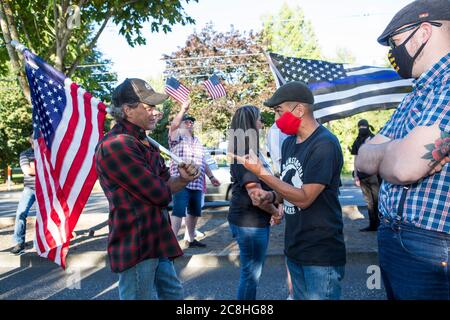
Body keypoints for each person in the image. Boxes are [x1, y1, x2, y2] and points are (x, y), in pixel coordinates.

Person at [356, 0, 450, 300]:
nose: (393, 53)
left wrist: (390, 152)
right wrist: (396, 152)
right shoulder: (417, 94)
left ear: (423, 33)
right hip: (397, 238)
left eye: (396, 42)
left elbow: (406, 167)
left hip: (432, 246)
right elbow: (362, 158)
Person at [235, 81, 346, 300]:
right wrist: (271, 196)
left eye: (278, 112)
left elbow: (305, 198)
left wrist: (262, 174)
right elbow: (290, 187)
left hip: (320, 252)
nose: (276, 120)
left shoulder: (324, 144)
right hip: (295, 246)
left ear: (299, 110)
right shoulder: (288, 144)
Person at [95, 78, 201, 300]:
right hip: (137, 241)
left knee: (173, 294)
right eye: (150, 106)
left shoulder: (143, 141)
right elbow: (159, 193)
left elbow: (166, 185)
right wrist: (171, 184)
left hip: (156, 235)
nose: (156, 112)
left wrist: (182, 179)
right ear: (128, 110)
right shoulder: (117, 144)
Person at [228, 105, 282, 300]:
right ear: (250, 123)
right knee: (250, 275)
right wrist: (275, 211)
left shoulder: (245, 149)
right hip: (250, 222)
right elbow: (256, 195)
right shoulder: (244, 152)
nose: (261, 123)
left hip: (248, 220)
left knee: (250, 274)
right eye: (259, 119)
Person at [168, 100, 220, 248]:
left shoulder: (197, 140)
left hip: (197, 182)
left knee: (194, 212)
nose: (189, 123)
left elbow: (202, 161)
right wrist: (183, 110)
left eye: (191, 122)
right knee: (178, 211)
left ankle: (190, 239)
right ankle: (171, 242)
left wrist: (211, 177)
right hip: (180, 181)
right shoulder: (176, 137)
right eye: (187, 121)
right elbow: (173, 126)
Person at [350, 119, 381, 231]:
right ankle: (373, 225)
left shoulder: (374, 139)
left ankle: (380, 225)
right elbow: (355, 159)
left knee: (377, 200)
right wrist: (356, 176)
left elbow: (379, 156)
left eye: (364, 126)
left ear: (368, 126)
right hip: (362, 176)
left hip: (374, 175)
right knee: (369, 202)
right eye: (360, 127)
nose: (362, 129)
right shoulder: (357, 141)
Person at [10, 134, 36, 255]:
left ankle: (39, 243)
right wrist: (39, 168)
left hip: (44, 190)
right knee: (21, 213)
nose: (37, 140)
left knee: (43, 217)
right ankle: (19, 242)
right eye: (34, 138)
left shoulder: (47, 153)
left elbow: (53, 169)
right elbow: (28, 171)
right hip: (29, 189)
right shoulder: (25, 154)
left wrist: (34, 167)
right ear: (30, 140)